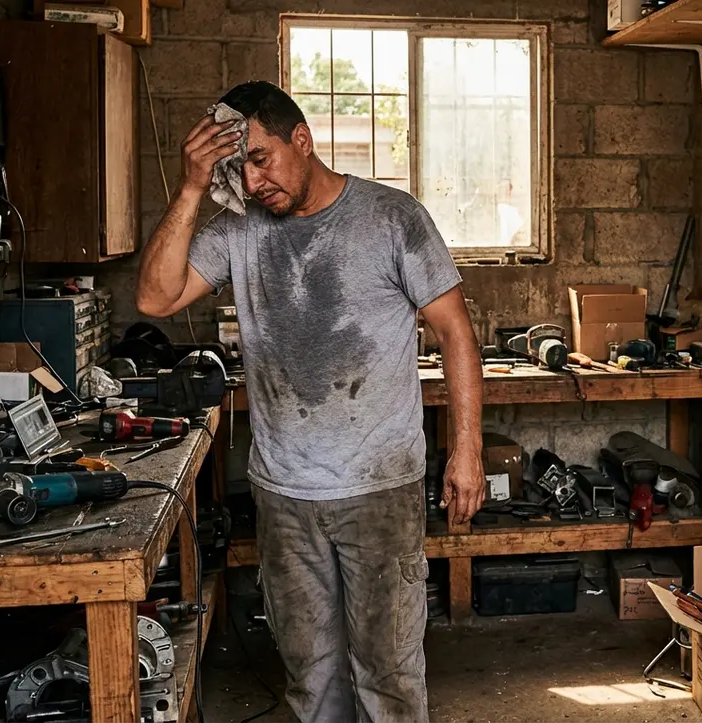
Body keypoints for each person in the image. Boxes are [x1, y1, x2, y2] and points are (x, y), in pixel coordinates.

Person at [135, 80, 485, 722]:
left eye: (260, 158)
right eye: (237, 167)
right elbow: (156, 298)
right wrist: (190, 189)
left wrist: (468, 451)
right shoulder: (239, 228)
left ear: (302, 139)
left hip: (379, 488)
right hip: (285, 493)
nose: (252, 180)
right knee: (311, 678)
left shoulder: (391, 217)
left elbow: (456, 334)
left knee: (388, 677)